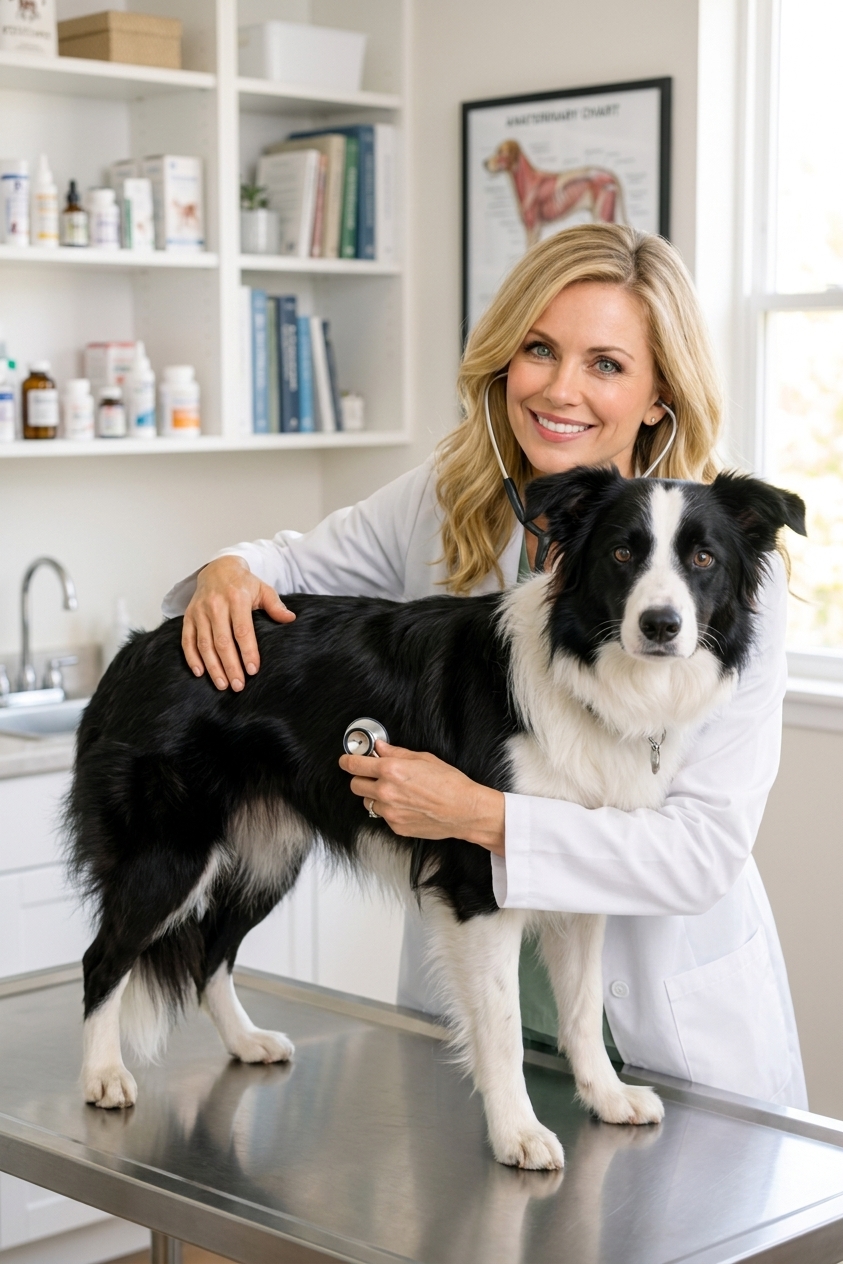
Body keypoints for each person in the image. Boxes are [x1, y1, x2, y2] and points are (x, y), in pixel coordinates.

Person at [163, 223, 807, 1110]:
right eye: (538, 349)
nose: (560, 388)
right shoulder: (450, 497)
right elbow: (290, 565)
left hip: (659, 1031)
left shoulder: (718, 579)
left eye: (606, 364)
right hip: (475, 998)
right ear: (504, 360)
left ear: (660, 395)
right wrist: (226, 572)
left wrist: (481, 816)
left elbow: (697, 857)